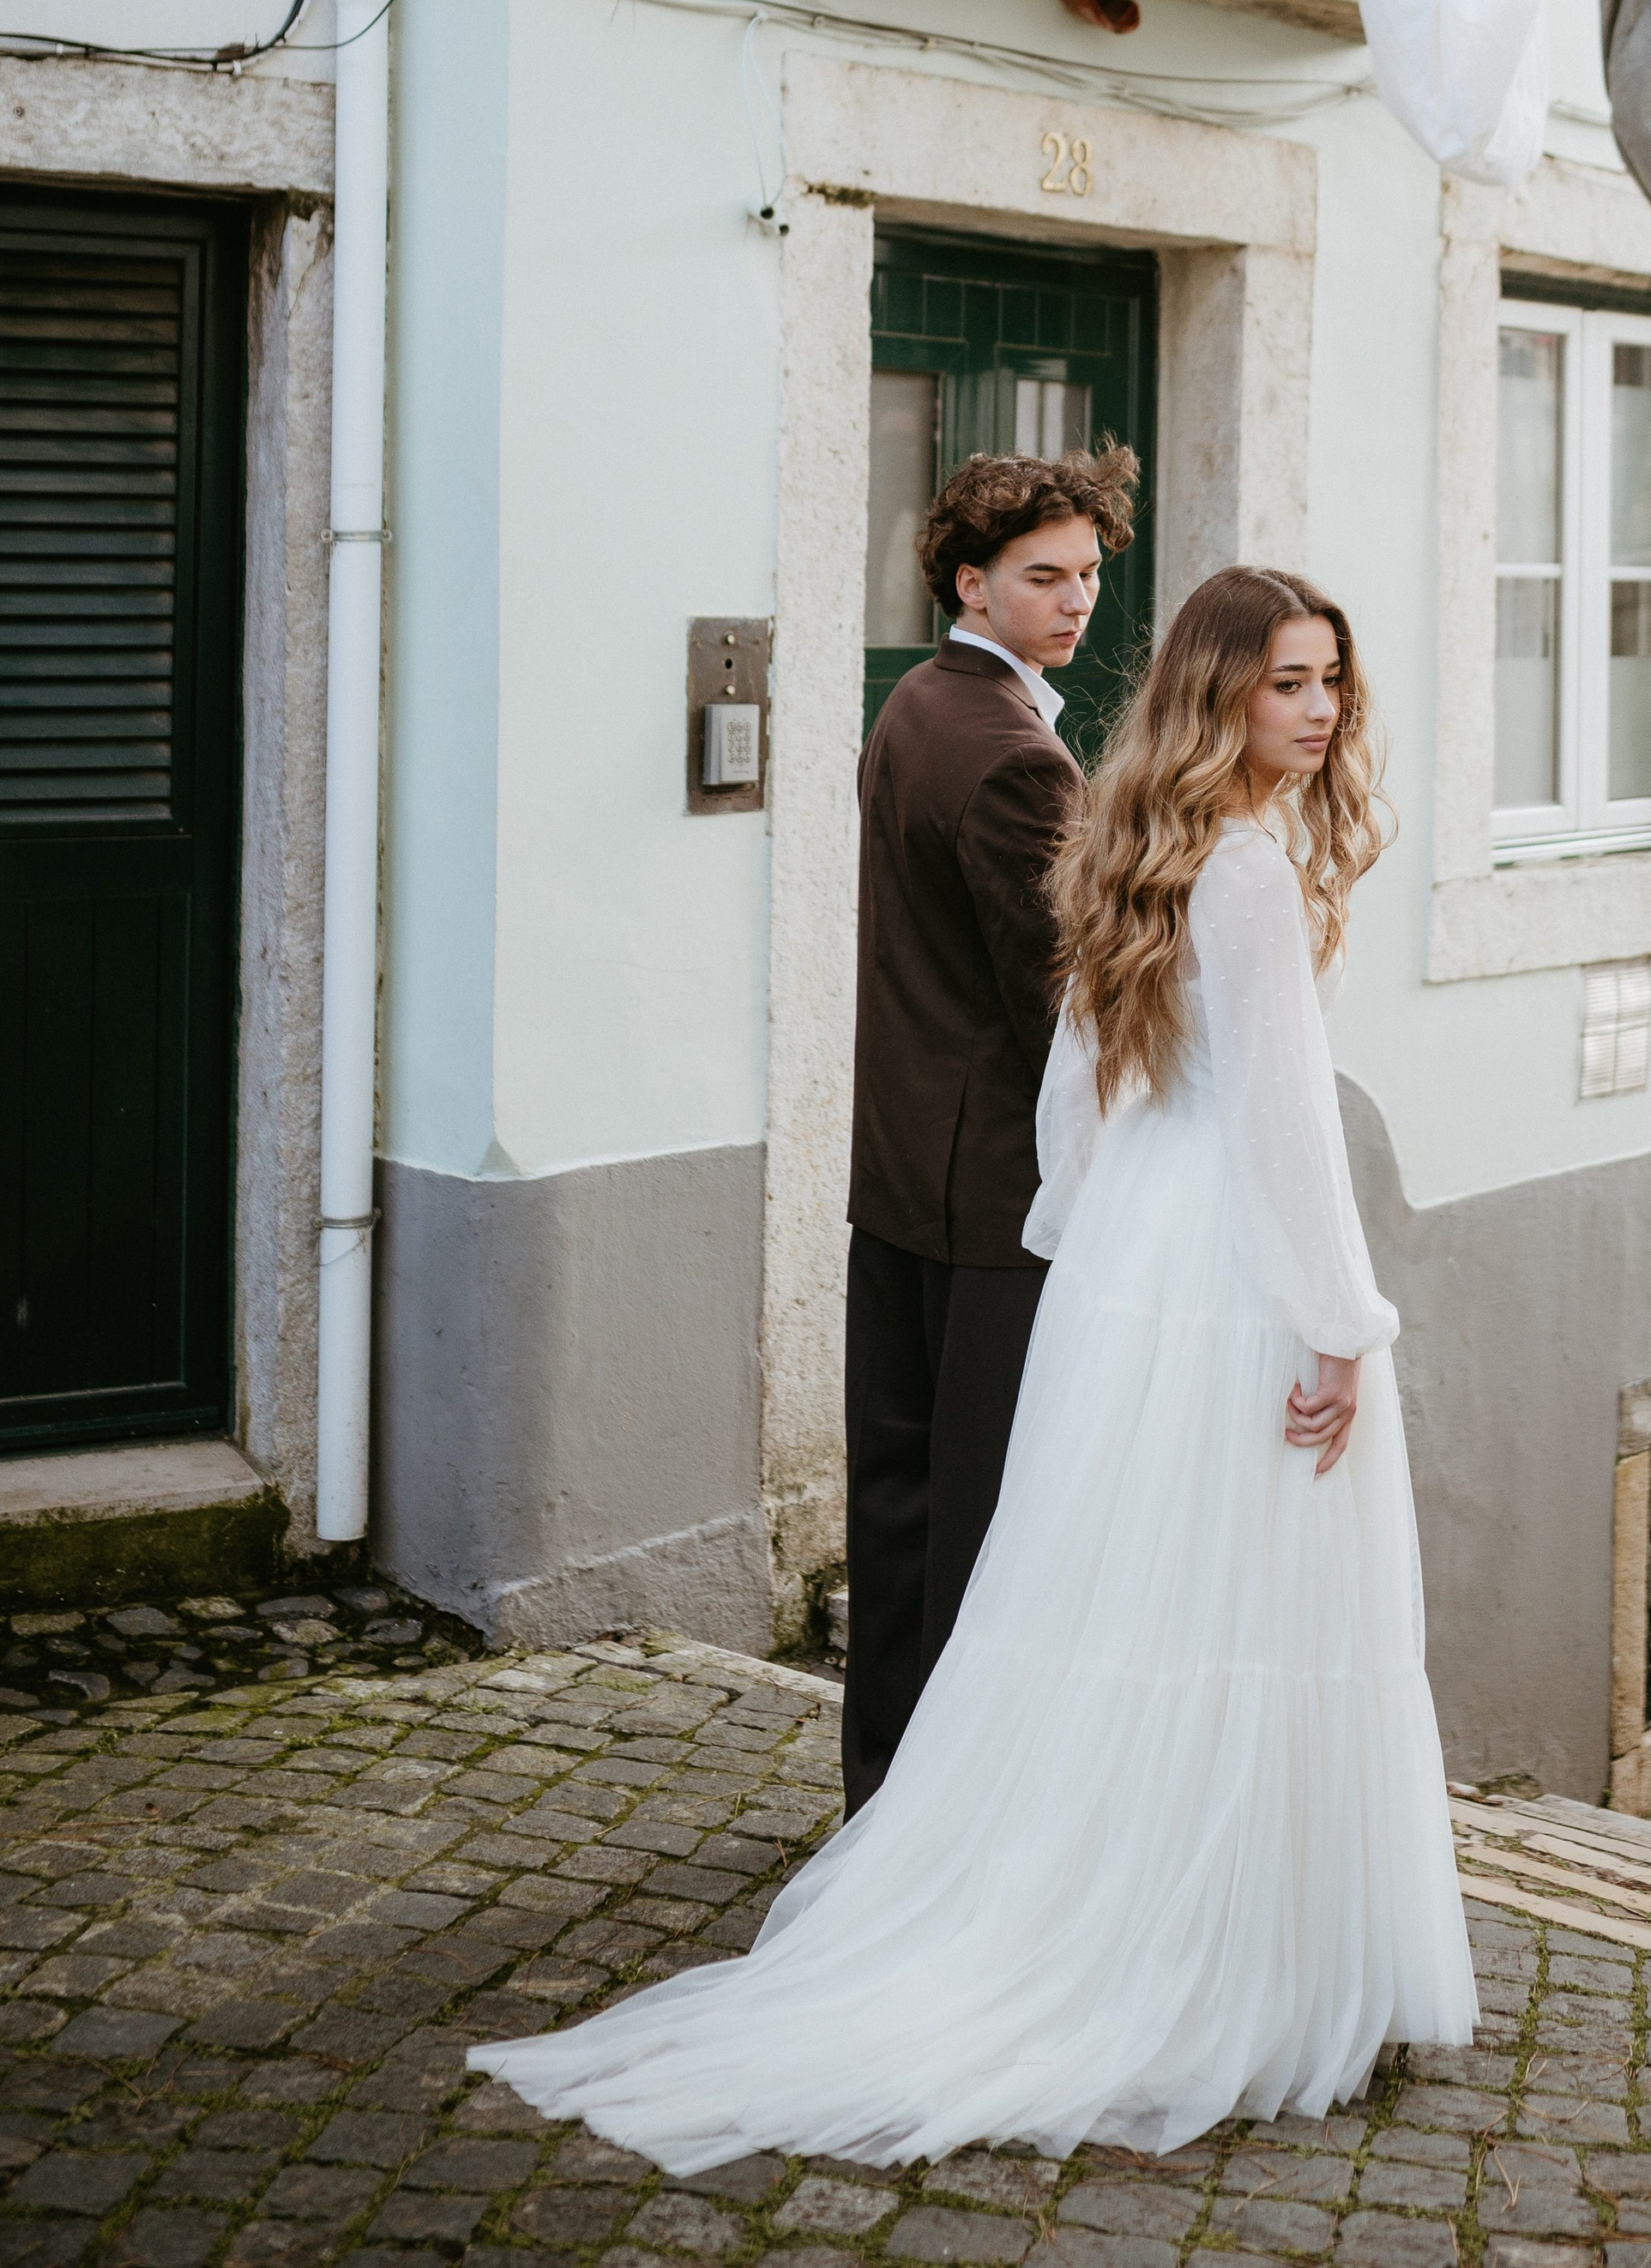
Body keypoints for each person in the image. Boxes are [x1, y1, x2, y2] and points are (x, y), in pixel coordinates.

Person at [470, 565, 1474, 2168]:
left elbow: (1079, 1094)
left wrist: (1089, 1253)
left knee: (1113, 1596)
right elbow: (1289, 1133)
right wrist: (1347, 1327)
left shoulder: (1136, 844)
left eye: (1333, 680)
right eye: (1290, 681)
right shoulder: (1255, 881)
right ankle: (1209, 1952)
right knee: (1227, 1596)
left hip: (1139, 1246)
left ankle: (1088, 1904)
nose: (1324, 709)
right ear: (1223, 692)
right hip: (1227, 1265)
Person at [841, 443, 1139, 1812]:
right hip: (990, 1200)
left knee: (899, 1508)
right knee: (980, 1525)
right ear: (971, 579)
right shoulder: (1018, 760)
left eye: (1087, 574)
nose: (1076, 600)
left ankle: (881, 1800)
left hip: (899, 1175)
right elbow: (1059, 1014)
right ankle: (951, 1827)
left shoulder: (915, 704)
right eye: (1044, 577)